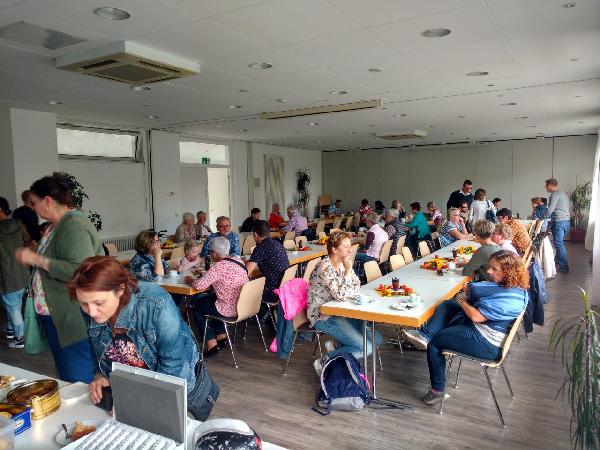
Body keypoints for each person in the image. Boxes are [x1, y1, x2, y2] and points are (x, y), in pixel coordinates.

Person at [69, 256, 218, 420]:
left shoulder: (157, 304)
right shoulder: (91, 305)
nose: (91, 312)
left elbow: (174, 366)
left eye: (99, 303)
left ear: (120, 289)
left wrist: (139, 404)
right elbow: (97, 344)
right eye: (83, 304)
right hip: (131, 388)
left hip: (172, 386)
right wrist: (100, 375)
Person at [403, 251, 528, 405]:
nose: (489, 271)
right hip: (485, 330)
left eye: (494, 269)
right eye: (490, 267)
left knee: (436, 343)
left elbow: (476, 316)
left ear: (508, 272)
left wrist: (463, 301)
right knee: (448, 305)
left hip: (486, 343)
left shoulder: (508, 300)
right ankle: (425, 335)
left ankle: (437, 391)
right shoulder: (514, 289)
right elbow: (485, 295)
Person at [15, 172, 102, 383]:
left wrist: (37, 260)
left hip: (73, 317)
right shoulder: (55, 226)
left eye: (34, 203)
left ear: (47, 200)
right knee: (67, 373)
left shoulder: (73, 224)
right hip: (58, 315)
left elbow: (81, 270)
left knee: (77, 379)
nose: (32, 208)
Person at [307, 231, 382, 373]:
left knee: (376, 339)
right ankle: (324, 361)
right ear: (334, 250)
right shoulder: (324, 267)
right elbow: (341, 295)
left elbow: (357, 284)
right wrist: (348, 272)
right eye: (346, 246)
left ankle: (338, 346)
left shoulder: (342, 263)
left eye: (350, 246)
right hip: (323, 316)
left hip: (343, 311)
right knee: (366, 348)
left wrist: (347, 282)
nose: (350, 250)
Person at [186, 237, 248, 358]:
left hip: (229, 308)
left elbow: (199, 286)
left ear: (214, 253)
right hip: (243, 305)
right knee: (212, 299)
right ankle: (221, 336)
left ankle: (211, 343)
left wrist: (189, 280)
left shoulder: (218, 267)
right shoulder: (238, 260)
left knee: (198, 305)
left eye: (210, 252)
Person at [0, 197, 30, 349]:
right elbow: (28, 241)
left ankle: (20, 338)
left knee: (13, 308)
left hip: (6, 275)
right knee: (15, 304)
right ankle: (11, 330)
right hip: (21, 272)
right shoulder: (18, 224)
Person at [246, 220, 289, 305]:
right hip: (284, 288)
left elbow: (246, 272)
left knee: (246, 291)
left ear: (255, 234)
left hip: (272, 292)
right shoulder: (278, 243)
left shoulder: (260, 248)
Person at [545, 178, 570, 273]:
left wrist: (542, 218)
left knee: (558, 244)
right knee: (558, 243)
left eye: (546, 186)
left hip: (559, 221)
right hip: (566, 221)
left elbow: (550, 209)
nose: (546, 187)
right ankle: (557, 263)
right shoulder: (563, 193)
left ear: (550, 185)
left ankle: (564, 267)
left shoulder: (554, 194)